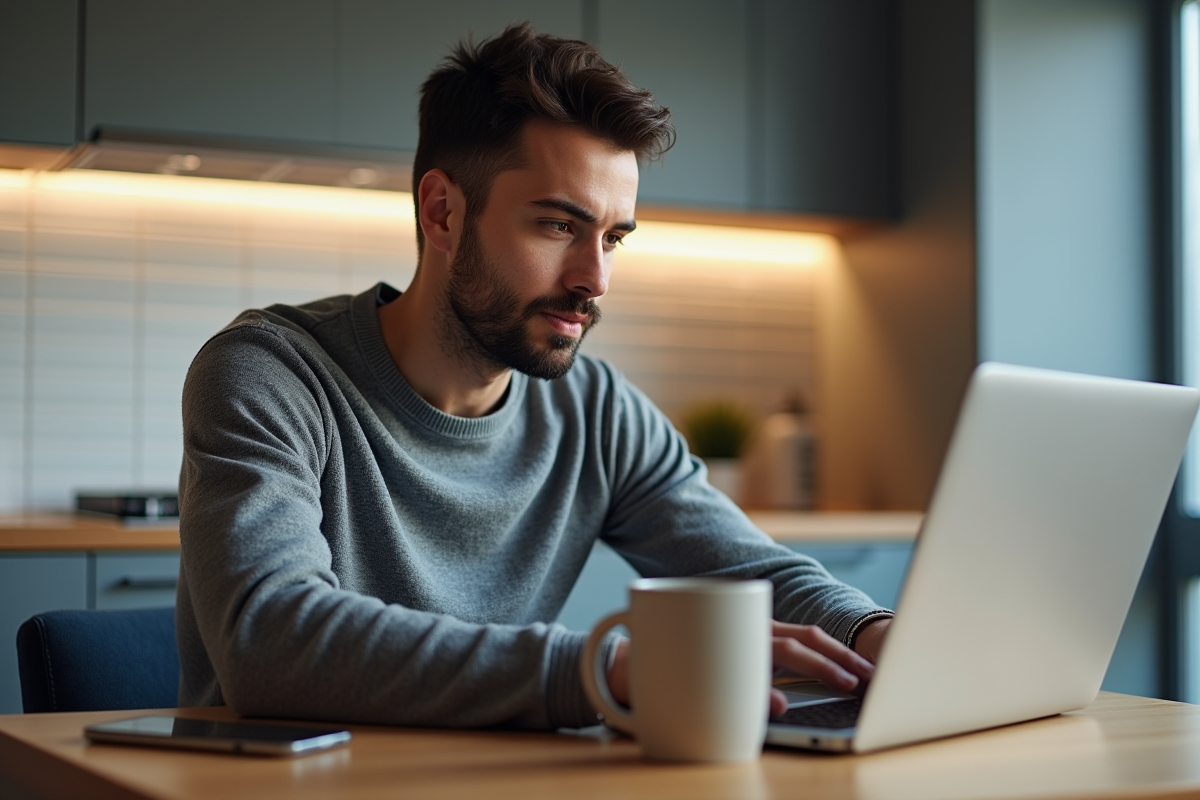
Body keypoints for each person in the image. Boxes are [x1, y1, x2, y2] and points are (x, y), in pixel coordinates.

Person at [176, 22, 893, 730]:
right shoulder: (271, 374)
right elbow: (269, 640)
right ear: (442, 211)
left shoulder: (598, 413)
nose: (595, 279)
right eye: (558, 226)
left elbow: (749, 569)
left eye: (613, 237)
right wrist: (601, 669)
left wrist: (872, 632)